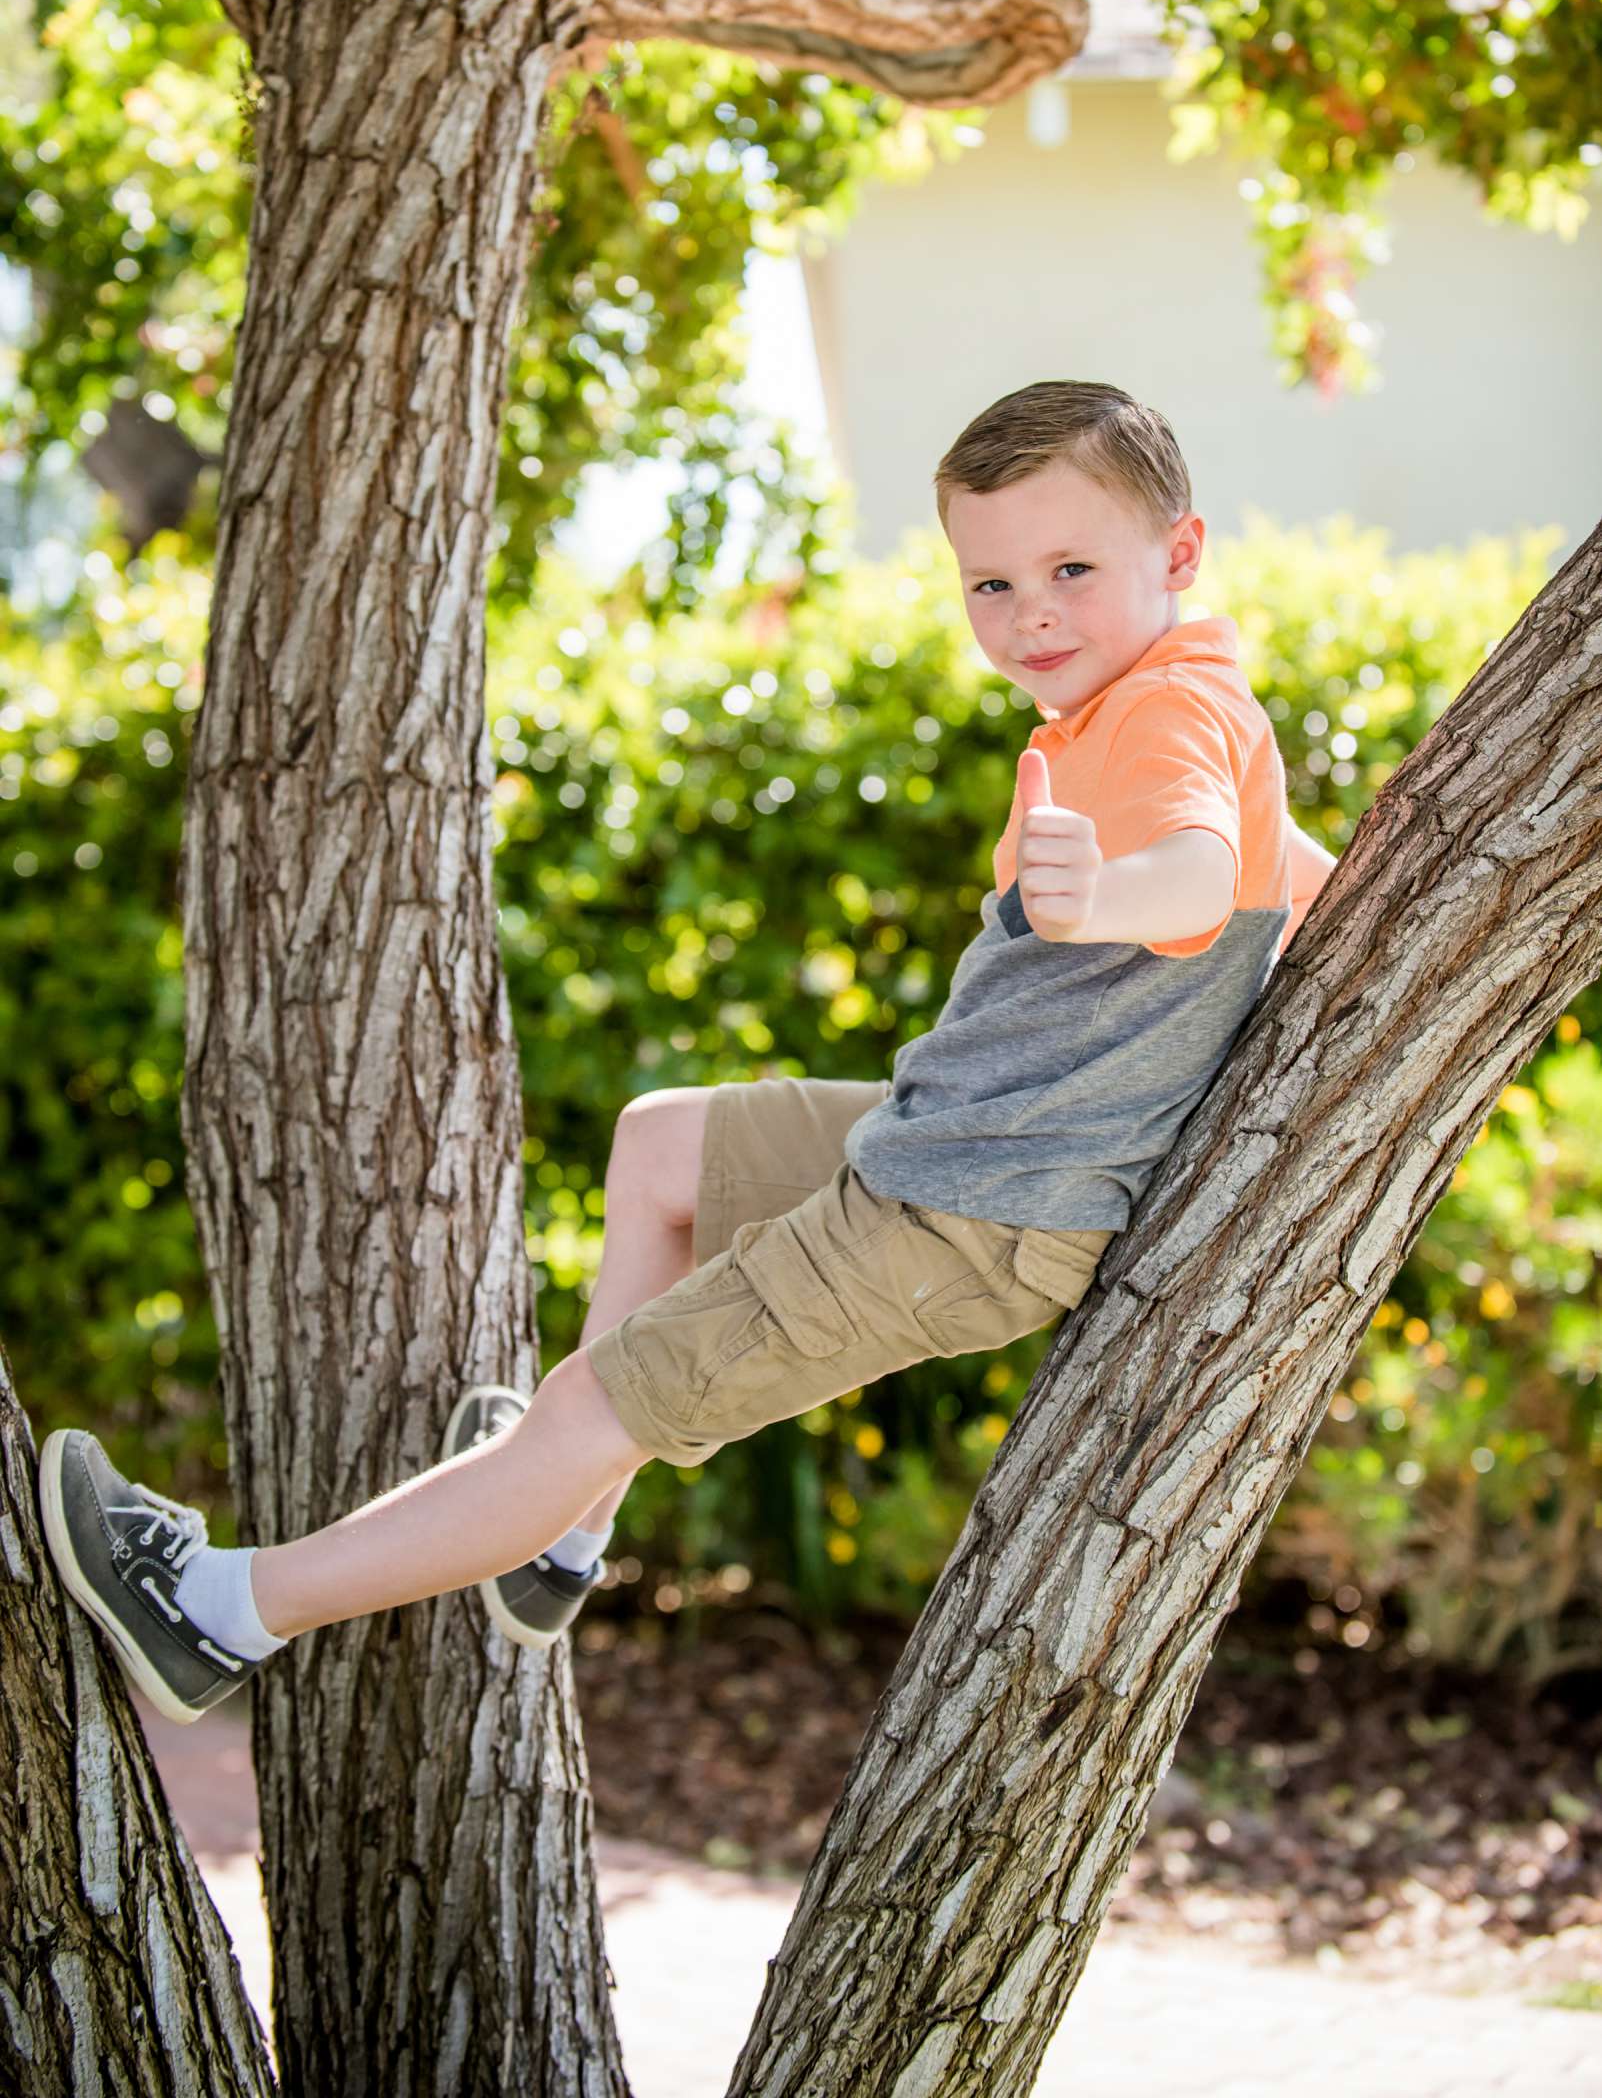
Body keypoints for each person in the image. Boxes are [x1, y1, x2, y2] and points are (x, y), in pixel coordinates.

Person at [40, 378, 1337, 1724]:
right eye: (990, 584)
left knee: (582, 1409)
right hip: (948, 1150)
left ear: (1176, 556)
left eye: (1070, 568)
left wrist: (1103, 901)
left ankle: (217, 1612)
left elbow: (1192, 875)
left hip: (968, 1215)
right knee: (663, 1144)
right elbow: (1279, 875)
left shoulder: (1166, 719)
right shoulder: (1179, 699)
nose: (1030, 616)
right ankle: (559, 1531)